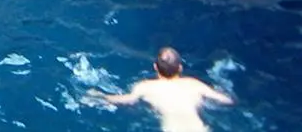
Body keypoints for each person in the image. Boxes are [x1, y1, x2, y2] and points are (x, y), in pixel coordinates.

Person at [87, 48, 234, 132]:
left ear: (155, 67)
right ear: (180, 68)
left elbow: (127, 100)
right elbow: (226, 100)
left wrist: (100, 96)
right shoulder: (193, 84)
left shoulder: (146, 86)